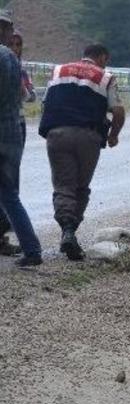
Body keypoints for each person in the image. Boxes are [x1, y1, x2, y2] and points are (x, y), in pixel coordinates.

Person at [38, 44, 126, 260]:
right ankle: (70, 232)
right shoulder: (105, 77)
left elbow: (45, 103)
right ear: (102, 57)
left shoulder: (59, 70)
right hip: (89, 137)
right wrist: (113, 135)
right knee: (80, 188)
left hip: (57, 134)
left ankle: (66, 230)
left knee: (63, 186)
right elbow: (118, 111)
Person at [0, 10, 41, 267]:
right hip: (12, 132)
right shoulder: (12, 59)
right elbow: (23, 94)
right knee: (9, 194)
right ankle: (32, 249)